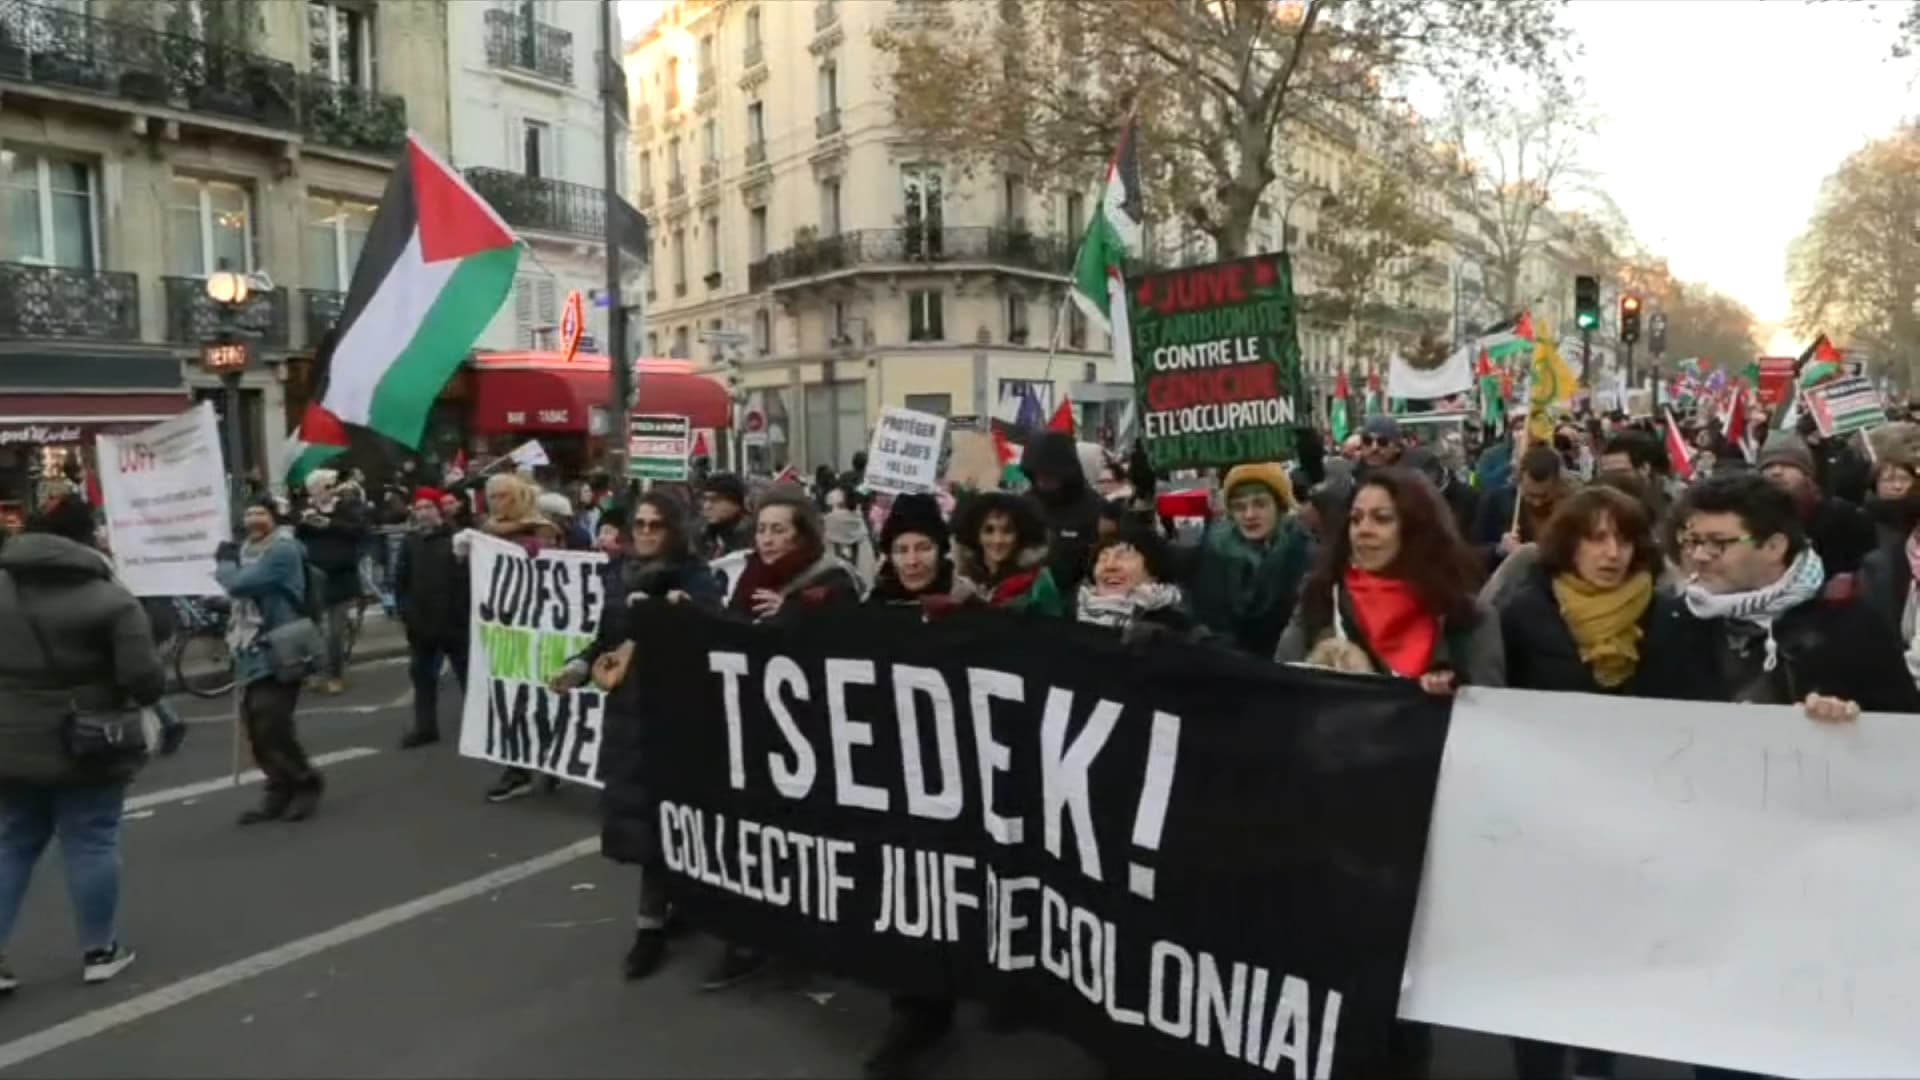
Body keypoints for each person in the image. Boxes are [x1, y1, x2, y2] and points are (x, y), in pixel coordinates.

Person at [552, 493, 719, 982]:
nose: (645, 532)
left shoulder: (695, 578)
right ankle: (665, 915)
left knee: (670, 822)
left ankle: (652, 927)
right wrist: (579, 667)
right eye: (639, 524)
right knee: (646, 824)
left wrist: (682, 616)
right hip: (629, 713)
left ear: (673, 530)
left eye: (656, 525)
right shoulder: (618, 574)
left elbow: (716, 635)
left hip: (678, 716)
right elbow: (607, 638)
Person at [0, 497, 162, 990]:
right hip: (87, 739)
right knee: (91, 840)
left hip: (7, 741)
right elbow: (144, 680)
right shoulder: (110, 599)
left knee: (12, 842)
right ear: (89, 537)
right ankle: (100, 949)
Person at [705, 487, 860, 991]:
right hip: (753, 733)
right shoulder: (751, 577)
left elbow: (839, 647)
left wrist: (791, 614)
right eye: (764, 530)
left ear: (804, 534)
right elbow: (727, 631)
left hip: (814, 739)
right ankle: (754, 936)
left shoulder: (832, 580)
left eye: (780, 531)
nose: (768, 541)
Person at [1667, 472, 1919, 714]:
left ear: (1774, 547)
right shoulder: (1674, 620)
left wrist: (1847, 719)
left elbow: (1901, 726)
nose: (1699, 556)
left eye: (1718, 543)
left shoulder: (1848, 624)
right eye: (1692, 541)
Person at [1277, 467, 1503, 692]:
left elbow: (1488, 716)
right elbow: (1282, 689)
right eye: (1355, 519)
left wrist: (1453, 699)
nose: (1363, 530)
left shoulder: (1470, 619)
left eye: (1381, 519)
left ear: (1416, 529)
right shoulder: (1321, 598)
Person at [216, 497, 326, 825]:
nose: (253, 518)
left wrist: (224, 563)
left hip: (279, 647)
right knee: (255, 727)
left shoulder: (283, 550)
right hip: (248, 649)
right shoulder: (246, 551)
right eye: (248, 512)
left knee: (271, 722)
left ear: (274, 517)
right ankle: (279, 788)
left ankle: (305, 782)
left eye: (260, 512)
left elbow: (239, 584)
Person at [1185, 463, 1310, 657]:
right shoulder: (1213, 552)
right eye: (1239, 507)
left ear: (1280, 506)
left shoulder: (1302, 552)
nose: (1249, 515)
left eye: (1260, 504)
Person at [392, 488, 468, 749]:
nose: (423, 512)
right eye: (419, 507)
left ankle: (479, 727)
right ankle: (425, 728)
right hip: (422, 625)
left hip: (454, 624)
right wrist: (406, 613)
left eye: (428, 507)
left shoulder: (457, 539)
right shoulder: (410, 542)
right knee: (422, 679)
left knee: (467, 678)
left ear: (439, 510)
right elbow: (400, 582)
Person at [1755, 431, 1876, 575]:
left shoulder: (1843, 516)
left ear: (1806, 473)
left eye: (1787, 465)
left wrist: (1851, 578)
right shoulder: (1750, 517)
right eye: (1768, 466)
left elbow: (1868, 563)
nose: (1776, 472)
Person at [295, 468, 370, 695]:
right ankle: (318, 672)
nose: (332, 490)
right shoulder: (305, 511)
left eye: (332, 485)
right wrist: (305, 522)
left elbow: (360, 530)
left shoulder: (346, 508)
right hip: (315, 577)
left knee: (334, 631)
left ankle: (334, 675)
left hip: (341, 577)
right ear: (314, 490)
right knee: (315, 630)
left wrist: (329, 524)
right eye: (326, 486)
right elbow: (297, 537)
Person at [948, 492, 1066, 614]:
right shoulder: (961, 579)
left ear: (1020, 535)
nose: (998, 540)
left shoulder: (1039, 583)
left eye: (1007, 531)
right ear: (976, 535)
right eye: (989, 530)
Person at [1075, 520, 1197, 637]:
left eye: (1123, 557)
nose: (1109, 565)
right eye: (1103, 559)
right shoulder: (1071, 615)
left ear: (1153, 572)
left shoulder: (1178, 629)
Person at [1018, 431, 1104, 591]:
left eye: (1050, 474)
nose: (1043, 480)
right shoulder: (1023, 506)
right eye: (1038, 474)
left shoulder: (1096, 508)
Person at [1472, 445, 1571, 576]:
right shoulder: (1495, 501)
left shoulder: (1571, 506)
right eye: (1530, 495)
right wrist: (1498, 549)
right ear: (1519, 480)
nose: (1537, 502)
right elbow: (1472, 554)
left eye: (1544, 496)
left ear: (1558, 483)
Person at [865, 493, 952, 608]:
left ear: (941, 551)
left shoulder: (967, 608)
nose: (912, 561)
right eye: (901, 550)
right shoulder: (872, 609)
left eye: (924, 549)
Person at [823, 485, 879, 592]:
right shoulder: (822, 538)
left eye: (840, 506)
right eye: (830, 508)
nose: (835, 512)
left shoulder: (863, 535)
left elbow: (868, 576)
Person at [698, 473, 753, 561]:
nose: (707, 506)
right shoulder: (702, 539)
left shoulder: (752, 541)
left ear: (737, 503)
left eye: (715, 500)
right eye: (705, 500)